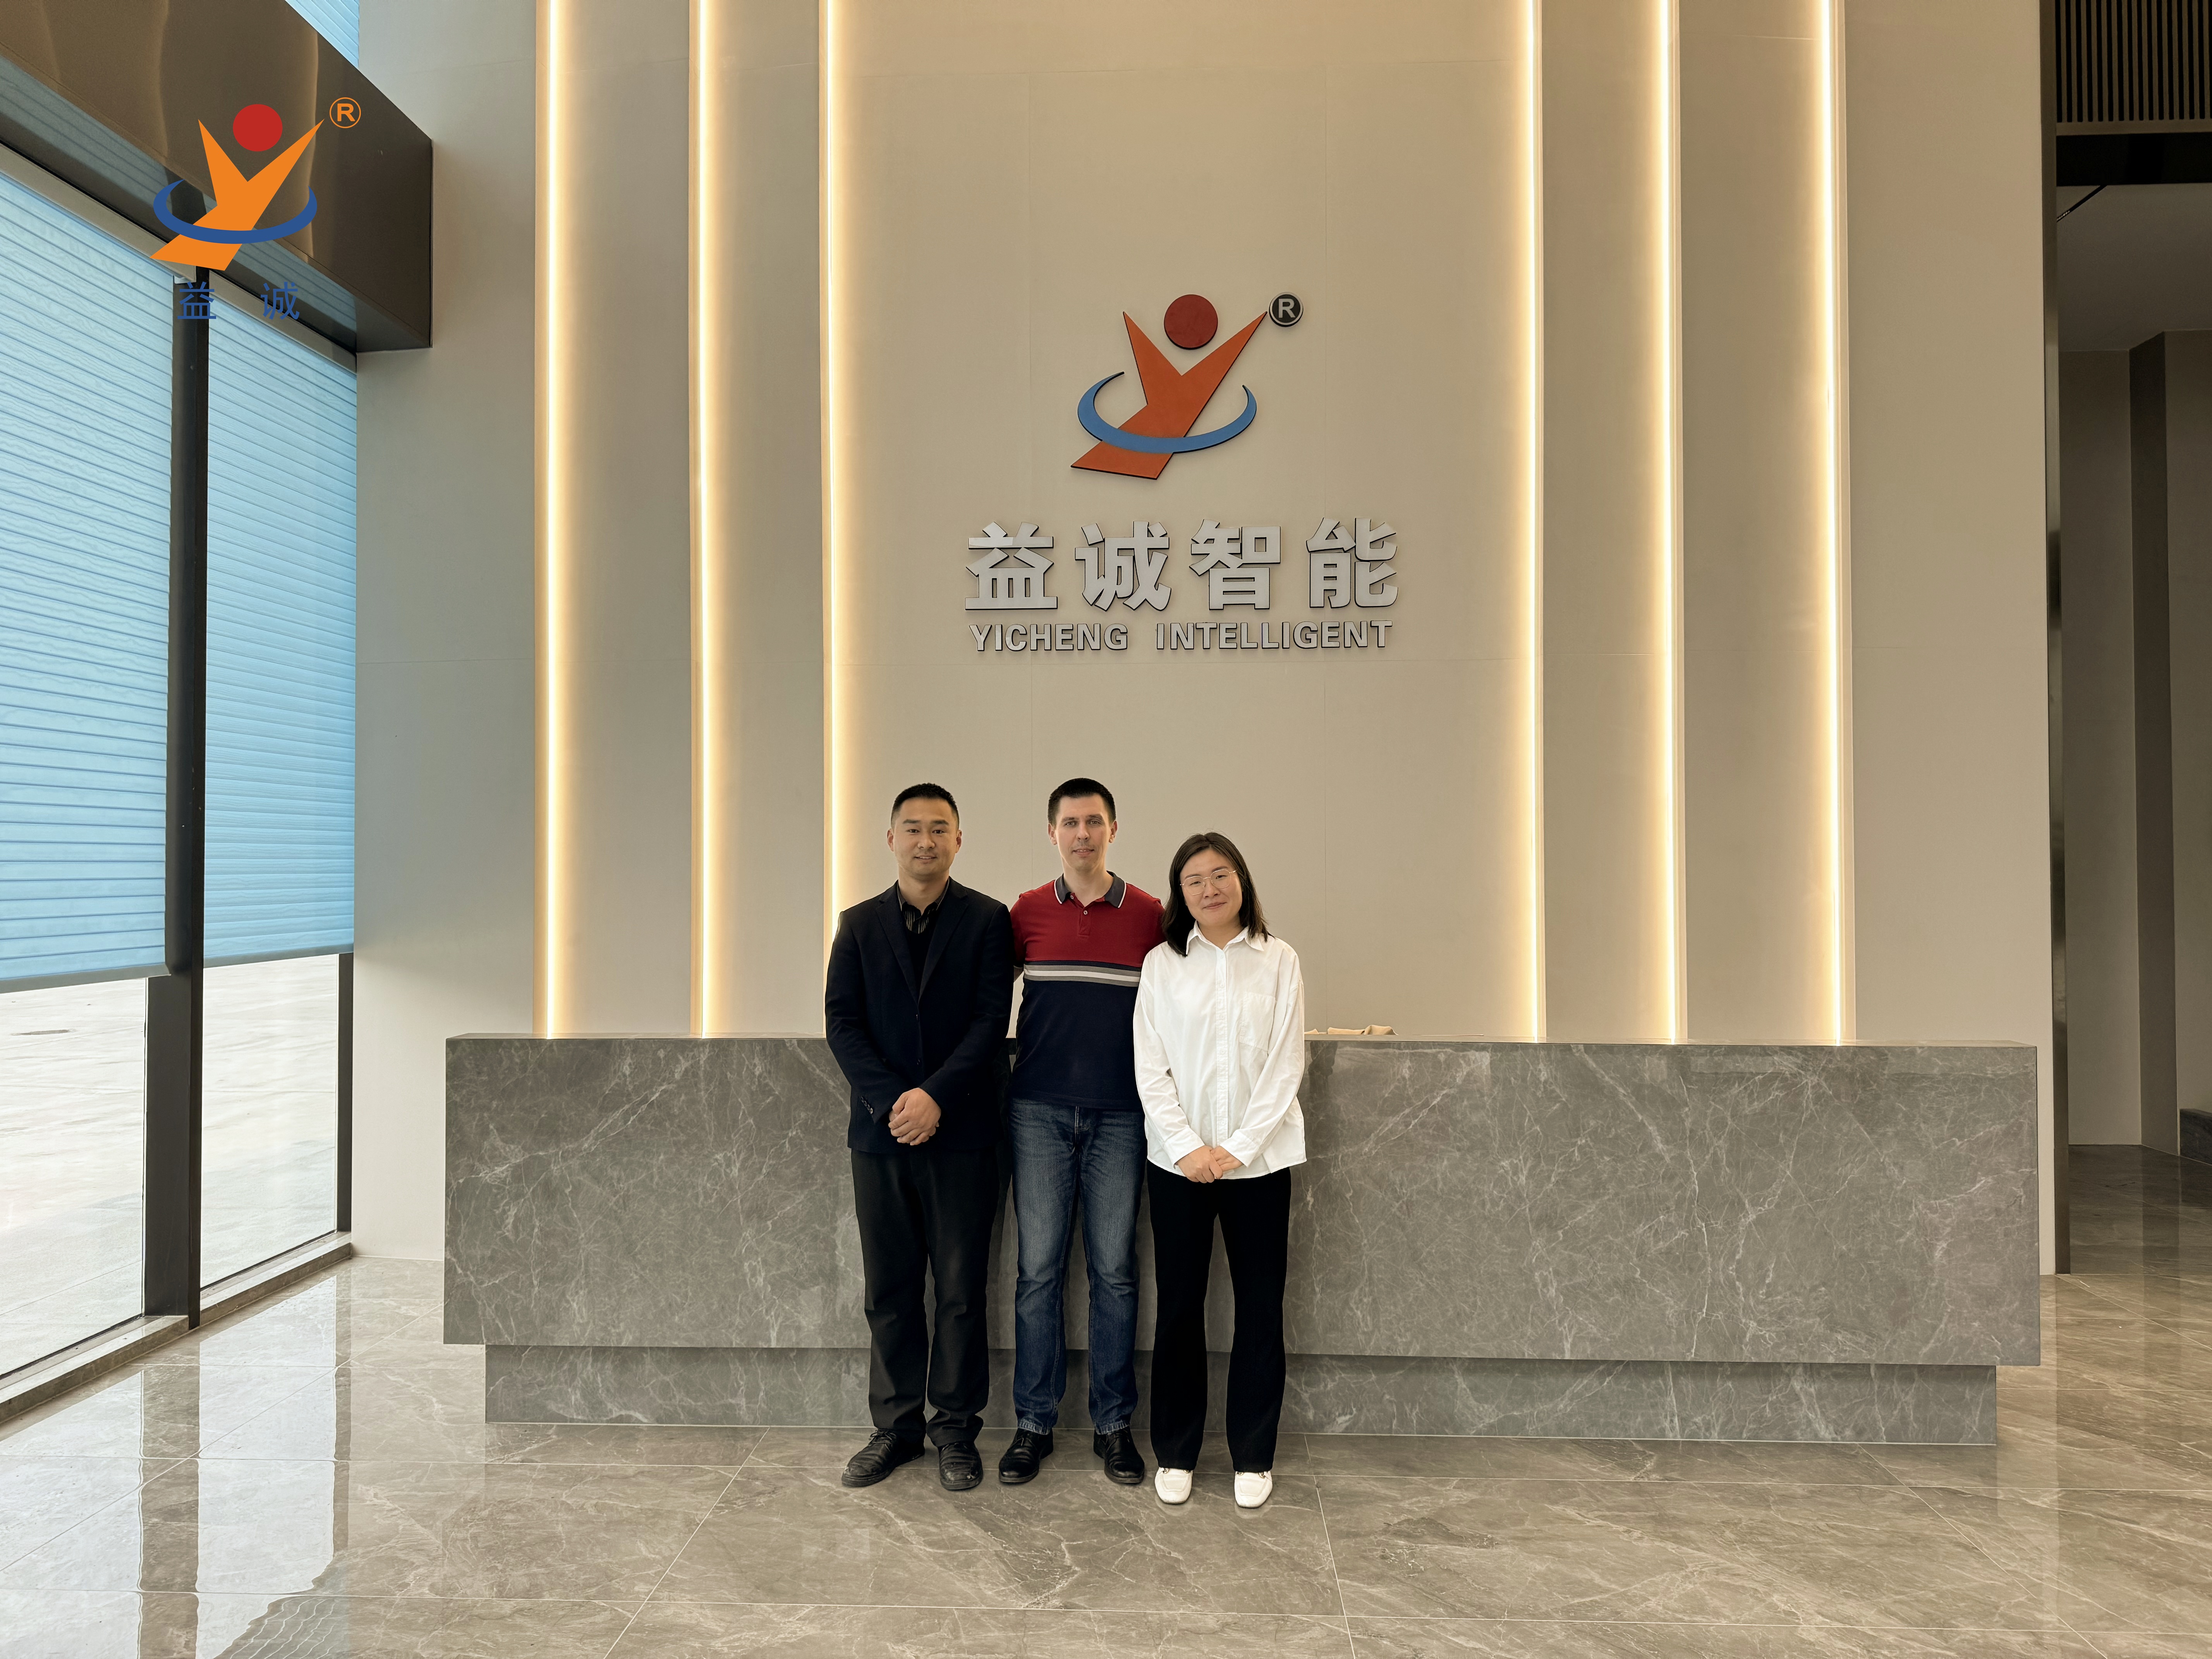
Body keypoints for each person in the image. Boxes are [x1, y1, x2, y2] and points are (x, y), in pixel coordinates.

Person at [824, 784, 1013, 1494]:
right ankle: (895, 1429)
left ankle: (956, 1431)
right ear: (891, 839)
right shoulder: (857, 924)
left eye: (939, 829)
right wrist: (892, 1101)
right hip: (881, 1139)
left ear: (959, 840)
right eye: (913, 828)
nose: (925, 841)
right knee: (891, 1290)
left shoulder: (988, 920)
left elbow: (990, 1021)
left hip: (963, 1134)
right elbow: (842, 1022)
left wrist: (935, 1097)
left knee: (962, 1291)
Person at [997, 779, 1165, 1489]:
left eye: (1094, 822)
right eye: (1070, 823)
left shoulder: (1150, 915)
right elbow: (981, 1001)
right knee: (1038, 1272)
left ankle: (1113, 1424)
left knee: (1115, 1272)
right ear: (1053, 833)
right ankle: (1033, 1424)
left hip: (1123, 1115)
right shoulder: (1026, 912)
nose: (1083, 835)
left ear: (1113, 830)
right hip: (1036, 1112)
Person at [1132, 831, 1306, 1511]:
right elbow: (1150, 1066)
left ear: (1242, 881)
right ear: (1180, 893)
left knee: (1260, 1308)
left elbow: (1286, 1064)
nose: (1210, 889)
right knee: (1179, 1307)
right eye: (1195, 879)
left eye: (1221, 874)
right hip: (1178, 1164)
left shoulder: (1279, 960)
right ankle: (1176, 1453)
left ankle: (1253, 1456)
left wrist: (1237, 1148)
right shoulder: (1162, 964)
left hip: (1259, 1164)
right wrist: (1188, 1148)